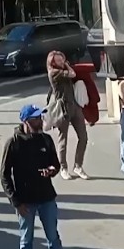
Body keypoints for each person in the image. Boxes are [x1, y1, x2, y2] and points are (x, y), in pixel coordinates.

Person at [1, 104, 70, 249]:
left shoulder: (46, 140)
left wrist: (52, 170)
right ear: (26, 121)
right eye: (36, 118)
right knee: (26, 241)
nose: (40, 121)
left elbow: (55, 164)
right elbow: (4, 175)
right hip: (25, 202)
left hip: (46, 198)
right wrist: (16, 202)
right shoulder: (14, 143)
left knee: (53, 238)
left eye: (40, 117)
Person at [46, 51, 89, 180]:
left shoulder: (62, 70)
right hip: (63, 107)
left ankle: (78, 166)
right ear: (52, 62)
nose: (61, 62)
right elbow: (72, 74)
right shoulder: (54, 72)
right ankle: (63, 168)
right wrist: (67, 65)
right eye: (58, 60)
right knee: (63, 139)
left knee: (83, 137)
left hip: (74, 105)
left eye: (62, 59)